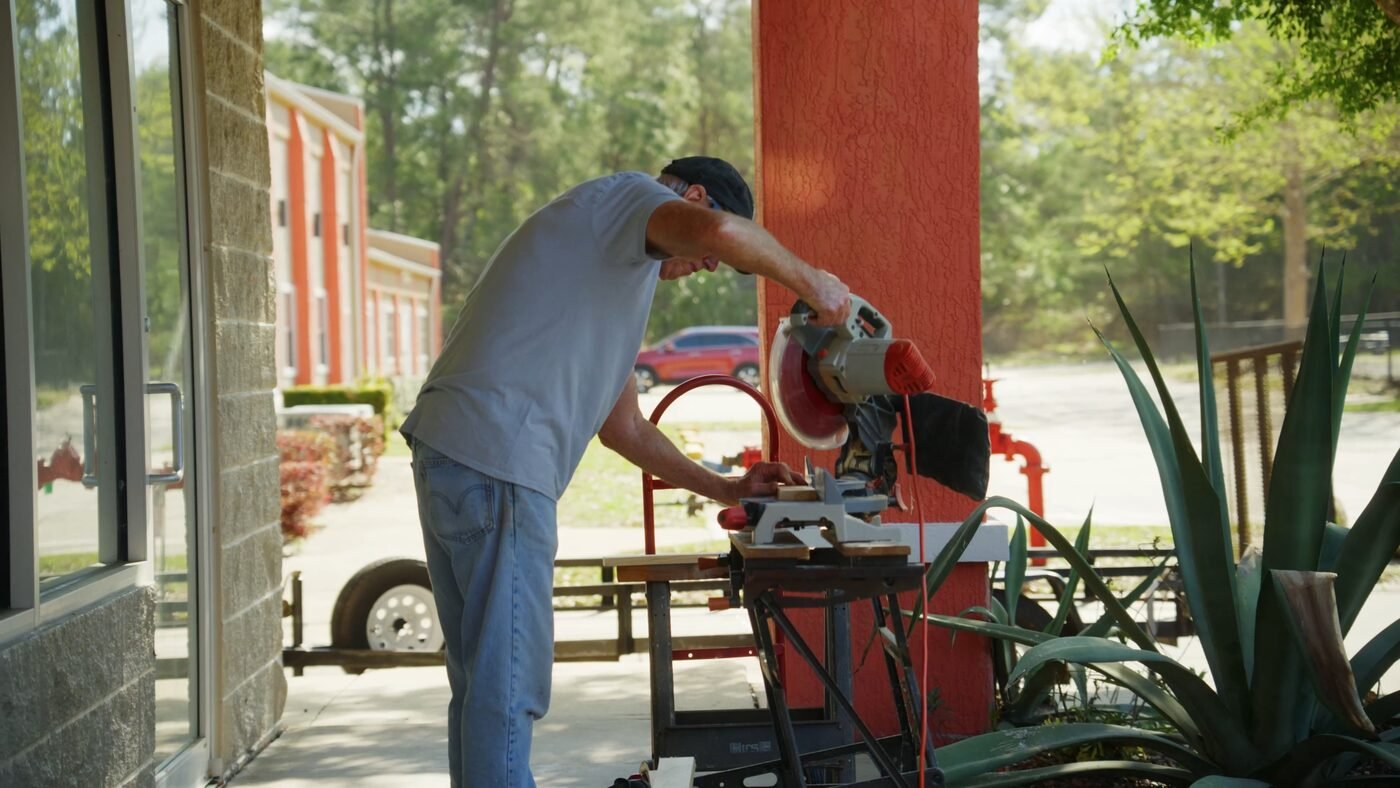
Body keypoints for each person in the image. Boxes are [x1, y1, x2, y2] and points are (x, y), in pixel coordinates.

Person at [399, 156, 852, 787]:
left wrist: (725, 486)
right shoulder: (630, 201)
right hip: (499, 463)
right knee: (507, 688)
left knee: (481, 685)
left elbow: (625, 429)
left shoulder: (607, 261)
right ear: (695, 197)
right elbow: (722, 233)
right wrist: (816, 286)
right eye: (710, 256)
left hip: (453, 455)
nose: (709, 265)